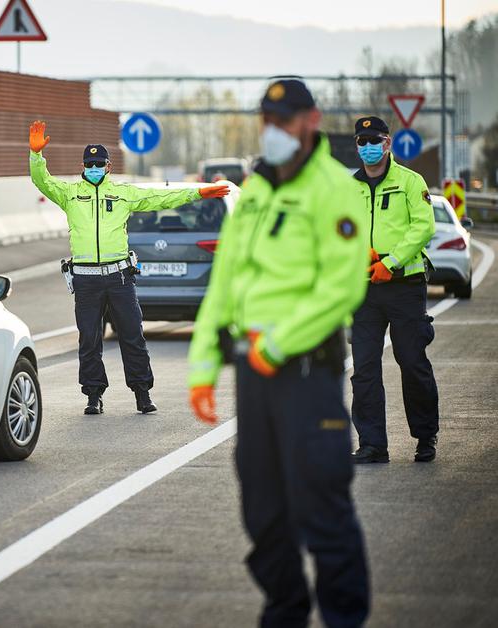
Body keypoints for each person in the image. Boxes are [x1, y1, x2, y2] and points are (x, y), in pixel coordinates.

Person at [187, 79, 371, 627]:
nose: (275, 132)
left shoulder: (335, 190)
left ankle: (343, 618)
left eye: (285, 120)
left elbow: (341, 287)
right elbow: (225, 280)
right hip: (254, 373)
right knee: (263, 510)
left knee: (321, 505)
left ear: (310, 120)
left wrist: (280, 342)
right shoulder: (258, 188)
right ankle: (285, 611)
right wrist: (202, 367)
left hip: (305, 372)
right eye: (267, 121)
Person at [28, 120, 229, 415]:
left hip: (119, 277)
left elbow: (161, 198)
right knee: (89, 340)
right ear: (83, 166)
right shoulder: (69, 194)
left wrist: (197, 194)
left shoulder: (123, 193)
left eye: (99, 163)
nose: (93, 168)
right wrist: (36, 155)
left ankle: (142, 393)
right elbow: (41, 180)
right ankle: (93, 395)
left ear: (108, 166)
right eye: (89, 164)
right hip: (85, 280)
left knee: (133, 335)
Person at [349, 115, 439, 463]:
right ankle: (372, 444)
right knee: (365, 369)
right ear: (357, 147)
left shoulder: (410, 182)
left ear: (388, 144)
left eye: (375, 141)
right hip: (364, 290)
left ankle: (425, 436)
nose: (369, 147)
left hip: (404, 286)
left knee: (412, 361)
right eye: (362, 142)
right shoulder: (349, 188)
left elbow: (423, 227)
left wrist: (391, 262)